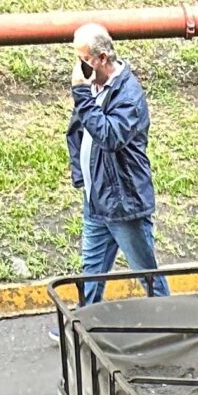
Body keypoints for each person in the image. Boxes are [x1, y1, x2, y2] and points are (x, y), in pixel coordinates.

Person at [67, 24, 169, 304]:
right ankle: (84, 322)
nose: (78, 68)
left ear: (101, 58)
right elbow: (78, 132)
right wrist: (82, 176)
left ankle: (172, 316)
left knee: (147, 273)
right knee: (92, 270)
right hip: (96, 198)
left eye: (83, 60)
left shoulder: (129, 95)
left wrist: (82, 97)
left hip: (123, 203)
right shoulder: (94, 87)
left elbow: (109, 136)